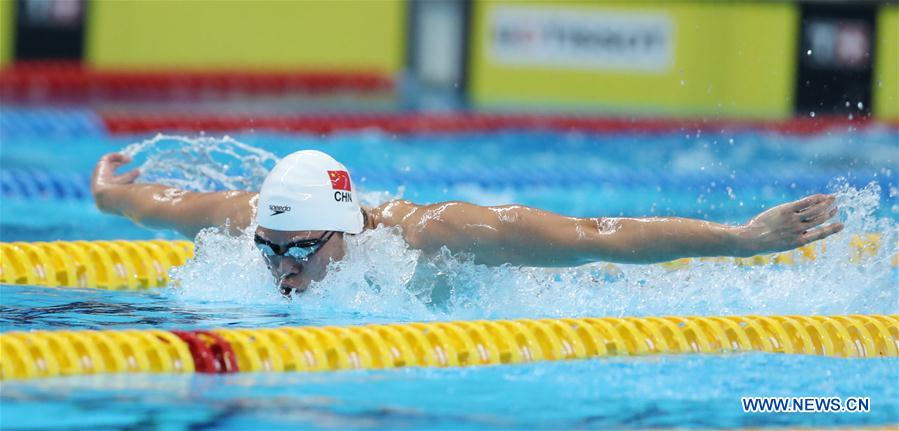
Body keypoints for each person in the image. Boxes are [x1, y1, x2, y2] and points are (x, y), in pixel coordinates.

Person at [92, 150, 843, 295]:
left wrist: (743, 241)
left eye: (299, 251)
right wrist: (106, 193)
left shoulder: (434, 234)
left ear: (347, 229)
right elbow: (152, 203)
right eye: (270, 251)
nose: (282, 270)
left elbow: (594, 237)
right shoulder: (258, 223)